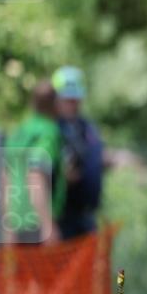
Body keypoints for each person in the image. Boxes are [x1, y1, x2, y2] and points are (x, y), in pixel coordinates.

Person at [4, 80, 65, 244]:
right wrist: (47, 224)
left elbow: (6, 179)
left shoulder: (19, 131)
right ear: (55, 103)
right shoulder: (48, 131)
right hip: (38, 222)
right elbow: (36, 174)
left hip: (17, 221)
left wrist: (8, 223)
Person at [52, 65, 105, 240]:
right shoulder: (50, 130)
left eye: (76, 99)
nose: (73, 104)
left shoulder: (86, 127)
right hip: (61, 219)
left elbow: (95, 156)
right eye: (68, 100)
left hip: (85, 217)